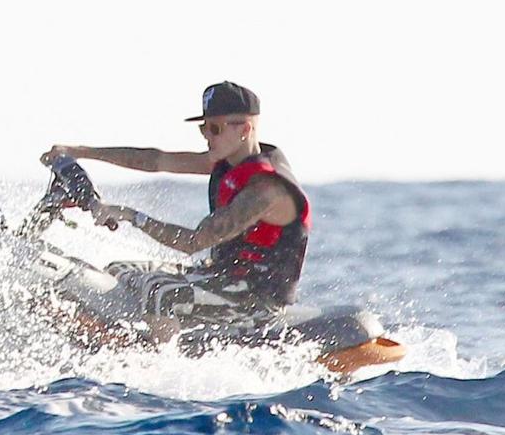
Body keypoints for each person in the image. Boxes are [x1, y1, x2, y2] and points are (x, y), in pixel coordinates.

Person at [41, 80, 311, 342]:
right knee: (119, 269)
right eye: (203, 128)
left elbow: (193, 242)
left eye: (215, 129)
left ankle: (162, 361)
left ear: (245, 129)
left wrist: (132, 216)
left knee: (159, 290)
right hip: (219, 275)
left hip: (256, 300)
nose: (207, 136)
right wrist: (80, 152)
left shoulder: (266, 189)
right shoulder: (227, 162)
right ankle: (139, 334)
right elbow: (157, 160)